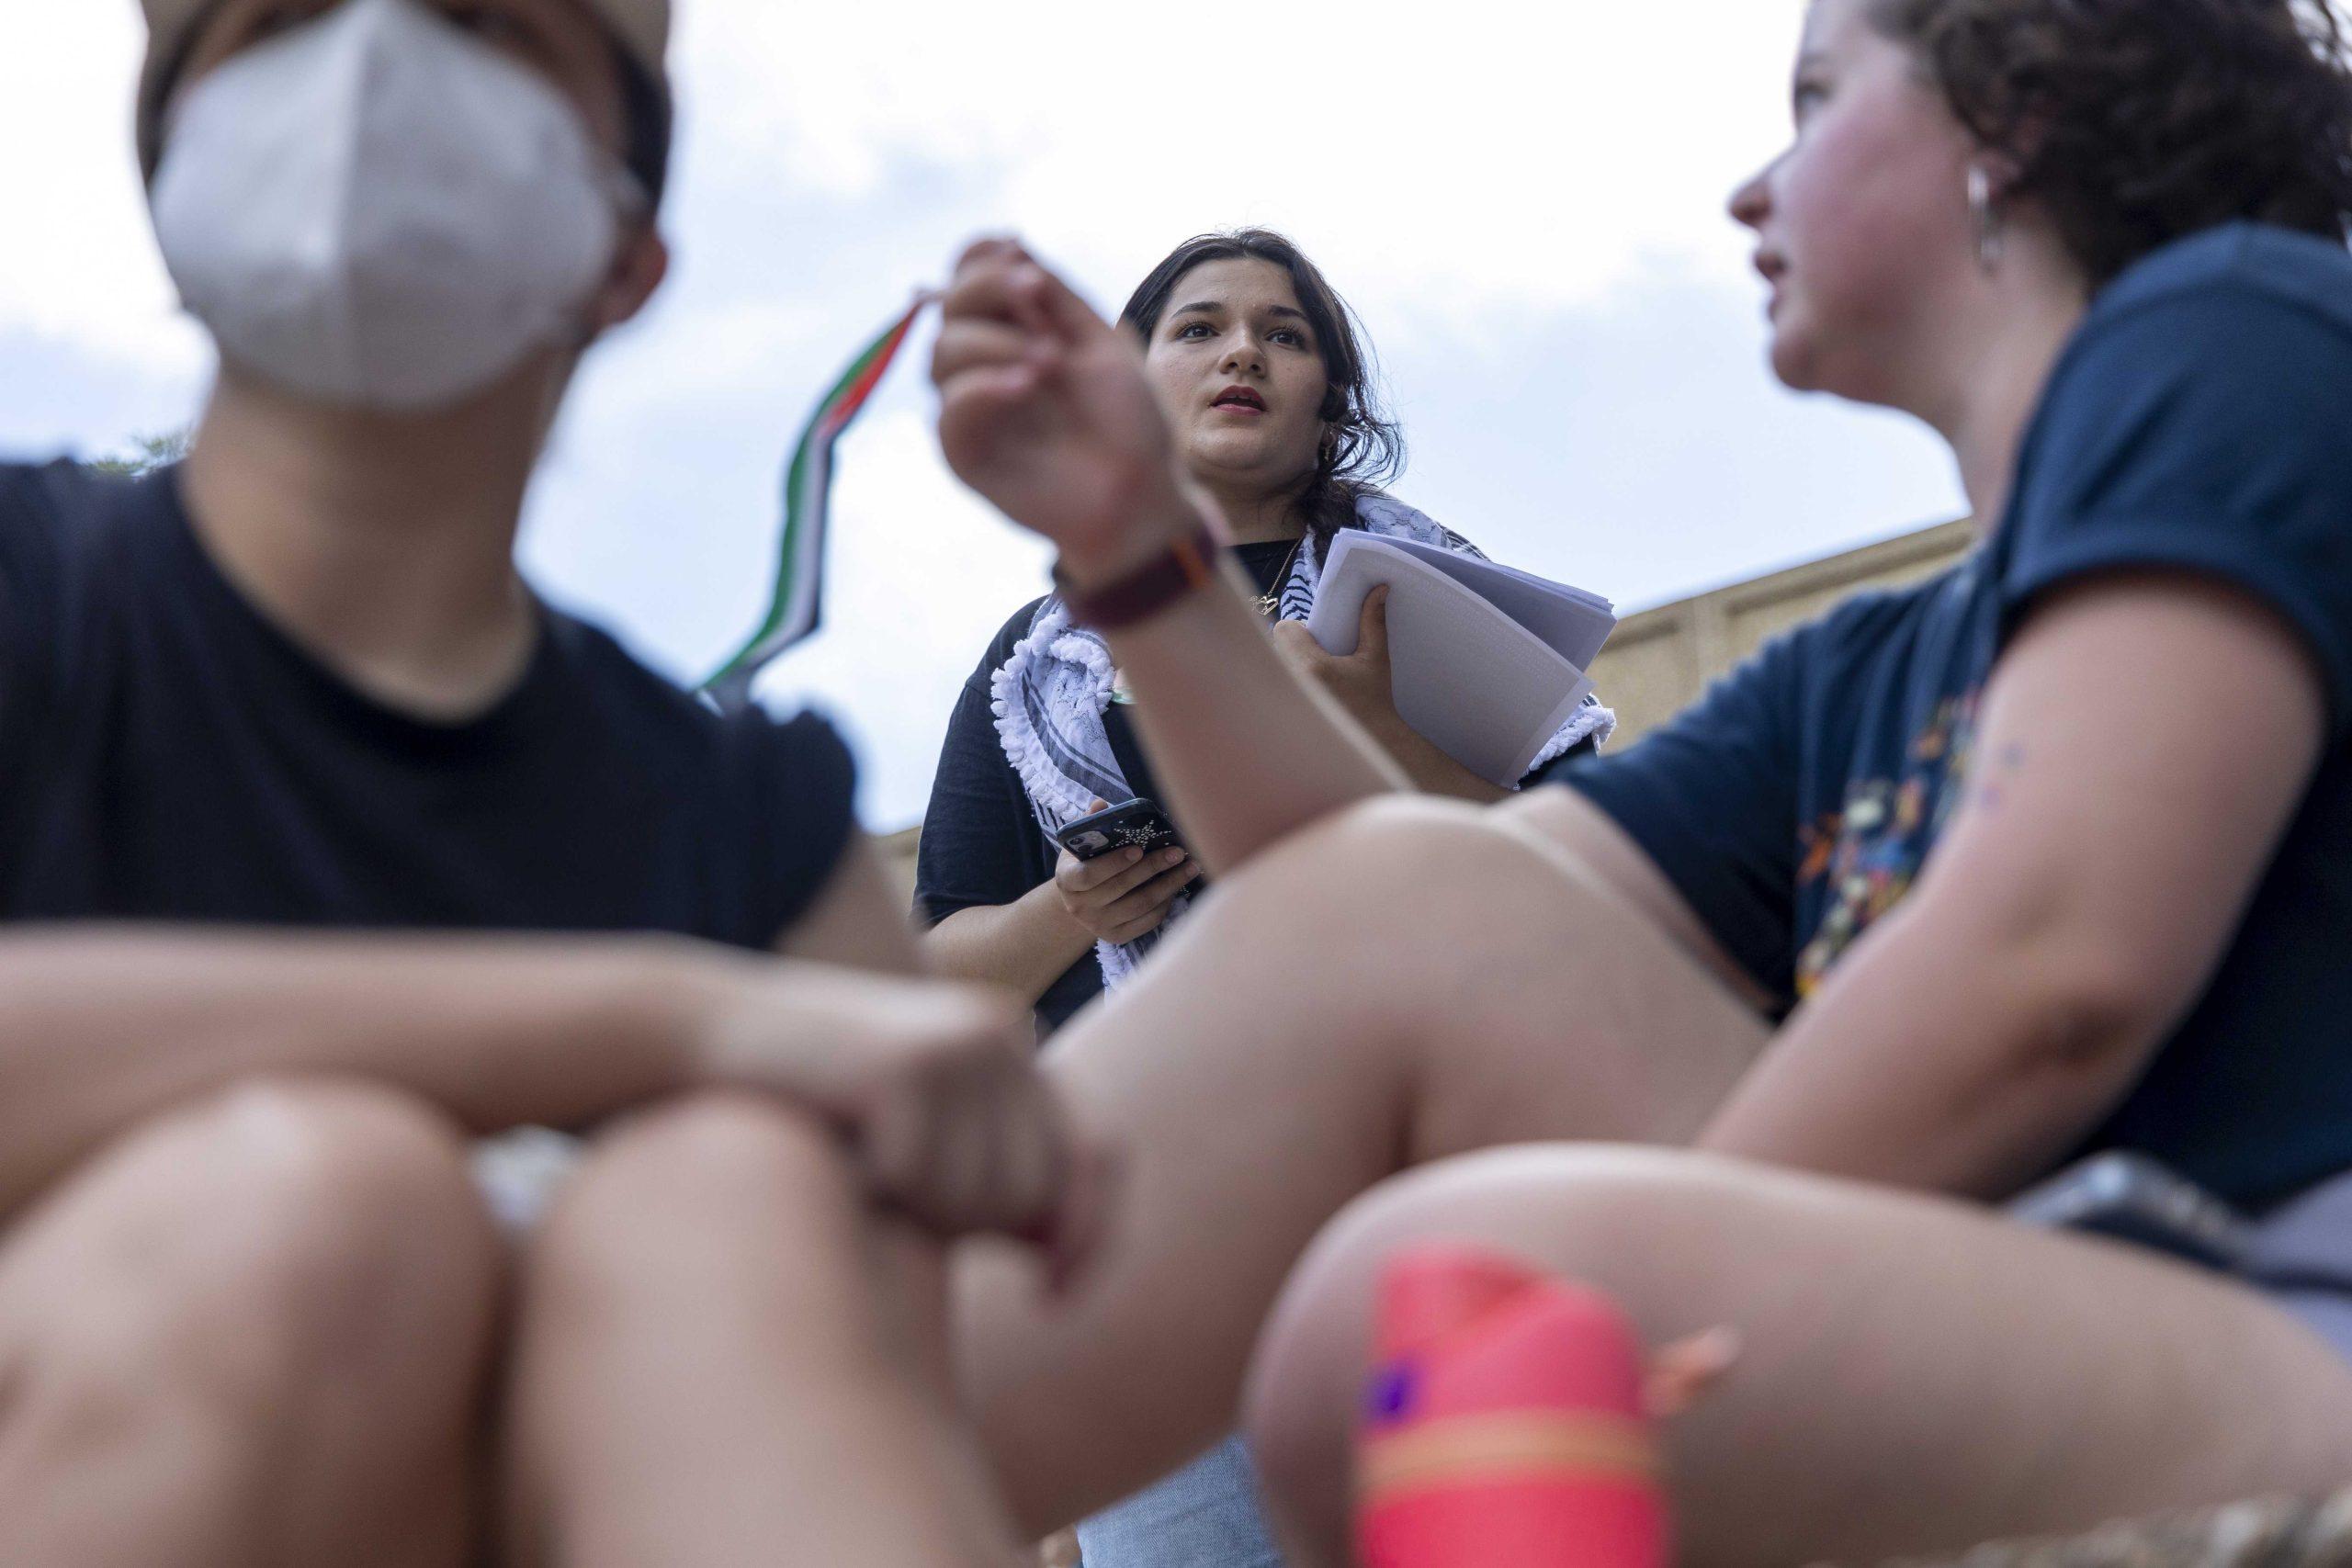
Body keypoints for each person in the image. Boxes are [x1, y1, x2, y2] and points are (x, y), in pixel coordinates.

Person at [928, 0, 2352, 1561]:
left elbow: (2052, 960)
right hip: (1980, 1310)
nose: (1754, 190)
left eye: (1814, 101)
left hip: (2276, 1323)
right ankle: (806, 1439)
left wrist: (1646, 1264)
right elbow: (1398, 926)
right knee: (1402, 956)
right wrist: (1138, 554)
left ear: (2010, 115)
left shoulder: (2237, 326)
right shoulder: (1865, 667)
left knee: (1387, 1316)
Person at [0, 3, 1086, 1562]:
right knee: (321, 1210)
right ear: (167, 185)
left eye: (483, 21)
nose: (372, 61)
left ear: (629, 254)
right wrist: (662, 1016)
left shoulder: (753, 832)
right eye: (282, 21)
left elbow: (914, 1386)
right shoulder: (35, 597)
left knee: (724, 1199)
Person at [915, 230, 1612, 1038]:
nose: (1242, 353)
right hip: (1137, 1125)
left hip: (1416, 1080)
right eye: (1198, 329)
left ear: (1331, 405)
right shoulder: (1040, 660)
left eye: (1284, 335)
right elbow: (936, 975)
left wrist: (1383, 735)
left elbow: (1596, 867)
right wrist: (1075, 906)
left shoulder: (1430, 590)